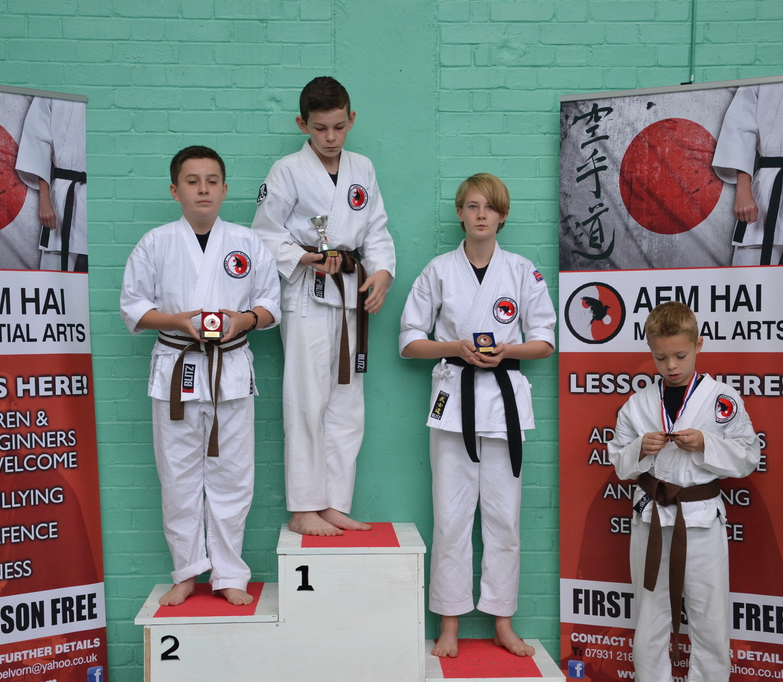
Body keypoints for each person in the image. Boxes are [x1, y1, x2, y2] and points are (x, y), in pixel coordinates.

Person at [400, 173, 555, 658]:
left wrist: (507, 349)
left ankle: (502, 621)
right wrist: (455, 347)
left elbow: (546, 341)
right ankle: (449, 623)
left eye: (489, 207)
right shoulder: (439, 270)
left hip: (505, 404)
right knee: (450, 518)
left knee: (504, 519)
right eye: (472, 206)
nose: (481, 214)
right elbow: (409, 341)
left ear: (502, 216)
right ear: (460, 213)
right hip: (454, 405)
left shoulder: (522, 271)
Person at [120, 146, 280, 606]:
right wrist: (176, 320)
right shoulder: (155, 243)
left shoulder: (248, 242)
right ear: (175, 191)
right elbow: (133, 307)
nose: (203, 189)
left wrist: (244, 320)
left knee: (234, 477)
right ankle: (187, 571)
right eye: (192, 181)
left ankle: (229, 573)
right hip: (178, 368)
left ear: (225, 190)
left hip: (230, 368)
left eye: (212, 181)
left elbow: (271, 304)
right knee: (178, 477)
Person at [252, 76, 396, 537]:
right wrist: (305, 258)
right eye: (320, 129)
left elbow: (376, 229)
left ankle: (333, 502)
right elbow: (263, 233)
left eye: (338, 127)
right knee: (307, 399)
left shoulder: (362, 168)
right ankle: (303, 507)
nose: (331, 138)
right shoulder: (286, 171)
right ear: (303, 124)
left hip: (350, 292)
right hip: (308, 295)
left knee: (347, 403)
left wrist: (382, 272)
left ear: (351, 119)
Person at [608, 301, 759, 680]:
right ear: (650, 351)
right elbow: (620, 466)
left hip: (702, 520)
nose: (671, 366)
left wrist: (707, 443)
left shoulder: (723, 399)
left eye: (680, 356)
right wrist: (640, 448)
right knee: (649, 618)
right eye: (661, 358)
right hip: (651, 520)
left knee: (710, 619)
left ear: (698, 345)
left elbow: (748, 457)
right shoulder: (637, 405)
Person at [712, 81, 783, 266]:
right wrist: (743, 191)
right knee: (750, 276)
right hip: (769, 189)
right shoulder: (762, 76)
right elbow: (740, 128)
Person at [16, 96, 88, 272]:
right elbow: (38, 141)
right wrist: (44, 199)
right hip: (64, 196)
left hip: (102, 195)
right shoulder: (50, 90)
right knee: (54, 274)